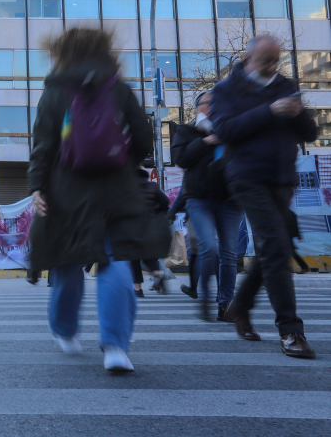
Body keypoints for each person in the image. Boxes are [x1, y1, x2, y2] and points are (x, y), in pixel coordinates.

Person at [27, 28, 169, 373]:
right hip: (116, 189)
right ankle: (116, 347)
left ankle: (64, 331)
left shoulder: (55, 91)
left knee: (67, 263)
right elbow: (143, 136)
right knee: (116, 261)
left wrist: (37, 187)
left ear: (62, 53)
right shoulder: (118, 88)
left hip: (66, 191)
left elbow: (43, 145)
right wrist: (124, 162)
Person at [210, 34, 318, 358]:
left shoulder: (286, 85)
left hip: (283, 179)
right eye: (265, 61)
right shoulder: (225, 90)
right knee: (275, 246)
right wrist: (270, 110)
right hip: (246, 177)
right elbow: (225, 130)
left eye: (276, 61)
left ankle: (239, 305)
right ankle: (290, 330)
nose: (272, 67)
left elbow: (310, 133)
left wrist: (298, 113)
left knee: (275, 248)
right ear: (247, 59)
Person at [171, 90, 242, 321]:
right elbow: (181, 159)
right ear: (198, 107)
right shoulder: (186, 131)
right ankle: (204, 295)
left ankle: (225, 304)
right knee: (208, 248)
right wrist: (206, 141)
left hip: (230, 200)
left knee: (229, 254)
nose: (213, 107)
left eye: (217, 103)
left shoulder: (232, 130)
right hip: (199, 199)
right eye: (208, 103)